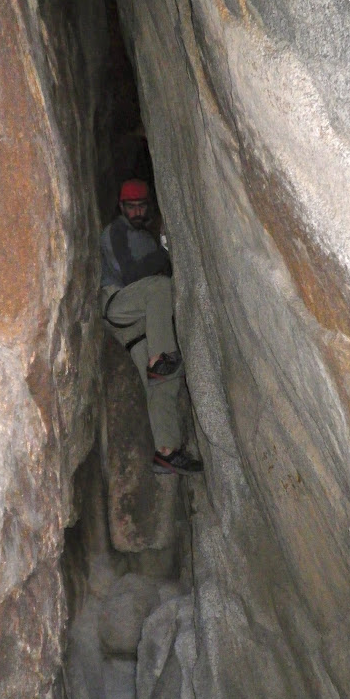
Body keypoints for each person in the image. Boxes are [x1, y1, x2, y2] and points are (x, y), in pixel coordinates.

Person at [100, 179, 203, 476]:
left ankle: (166, 452)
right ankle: (160, 357)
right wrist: (168, 255)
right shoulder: (116, 233)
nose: (135, 212)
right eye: (130, 207)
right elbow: (132, 272)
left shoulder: (146, 237)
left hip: (135, 325)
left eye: (140, 206)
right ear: (121, 207)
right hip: (118, 303)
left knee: (161, 383)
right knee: (160, 287)